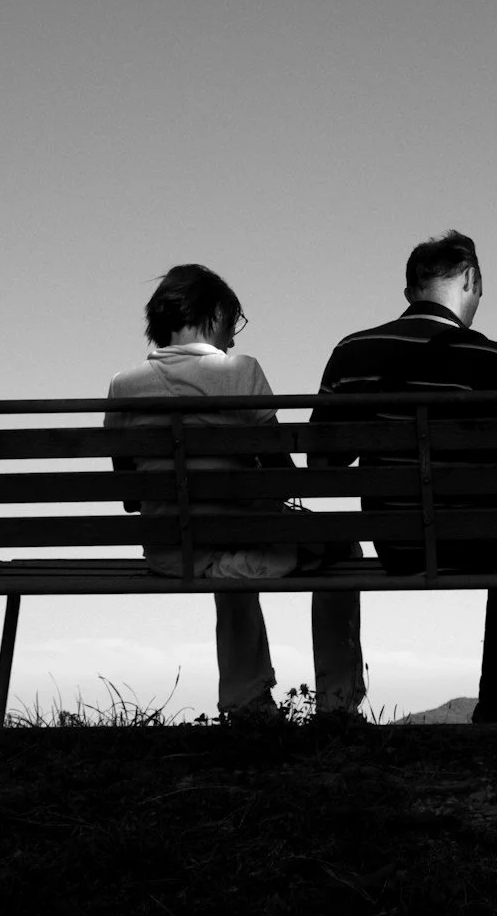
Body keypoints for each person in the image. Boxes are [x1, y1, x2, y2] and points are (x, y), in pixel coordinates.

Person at [310, 231, 497, 724]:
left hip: (397, 543)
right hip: (485, 540)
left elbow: (323, 467)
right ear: (470, 278)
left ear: (411, 290)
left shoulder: (352, 352)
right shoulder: (494, 358)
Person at [106, 264, 363, 718]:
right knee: (341, 549)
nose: (235, 337)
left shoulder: (123, 386)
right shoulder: (240, 371)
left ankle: (248, 704)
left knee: (226, 541)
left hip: (169, 553)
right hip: (245, 542)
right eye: (233, 323)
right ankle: (337, 702)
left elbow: (130, 495)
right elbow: (281, 475)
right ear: (215, 313)